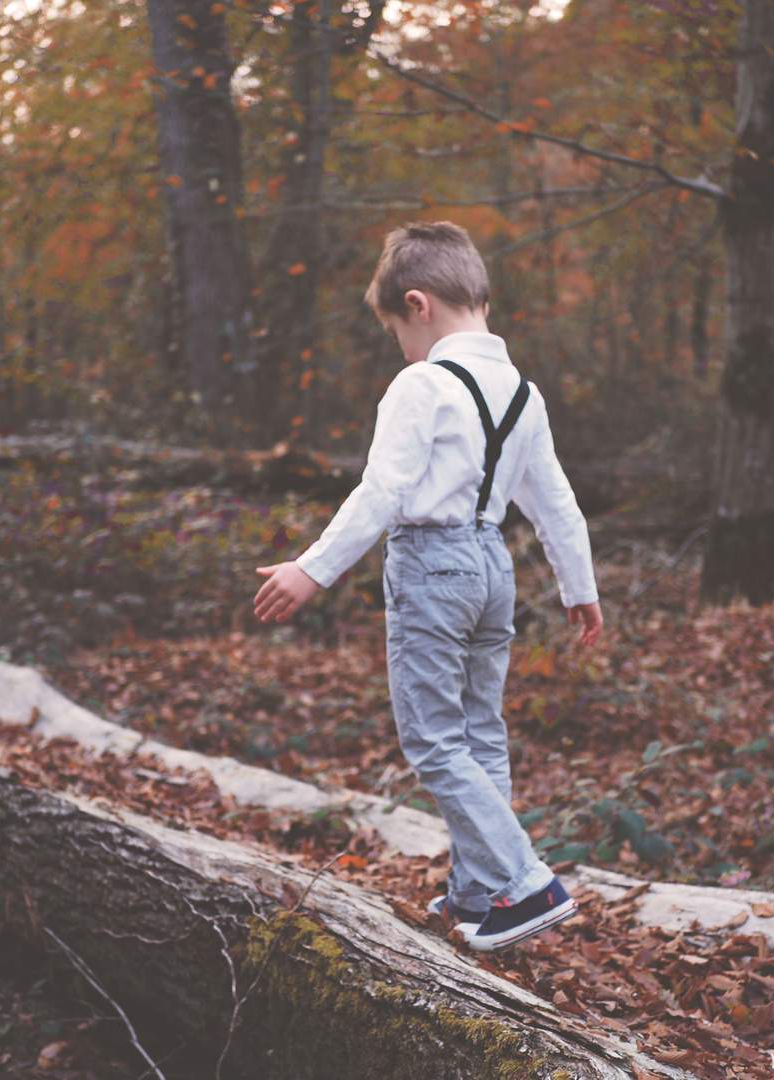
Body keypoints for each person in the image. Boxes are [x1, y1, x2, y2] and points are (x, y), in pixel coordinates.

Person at [253, 221, 602, 952]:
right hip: (493, 567)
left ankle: (525, 881)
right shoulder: (524, 393)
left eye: (395, 331)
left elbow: (381, 491)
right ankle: (480, 896)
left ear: (419, 305)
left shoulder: (423, 384)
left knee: (435, 740)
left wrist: (310, 568)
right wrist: (579, 584)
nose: (401, 349)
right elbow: (555, 501)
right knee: (480, 733)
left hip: (432, 566)